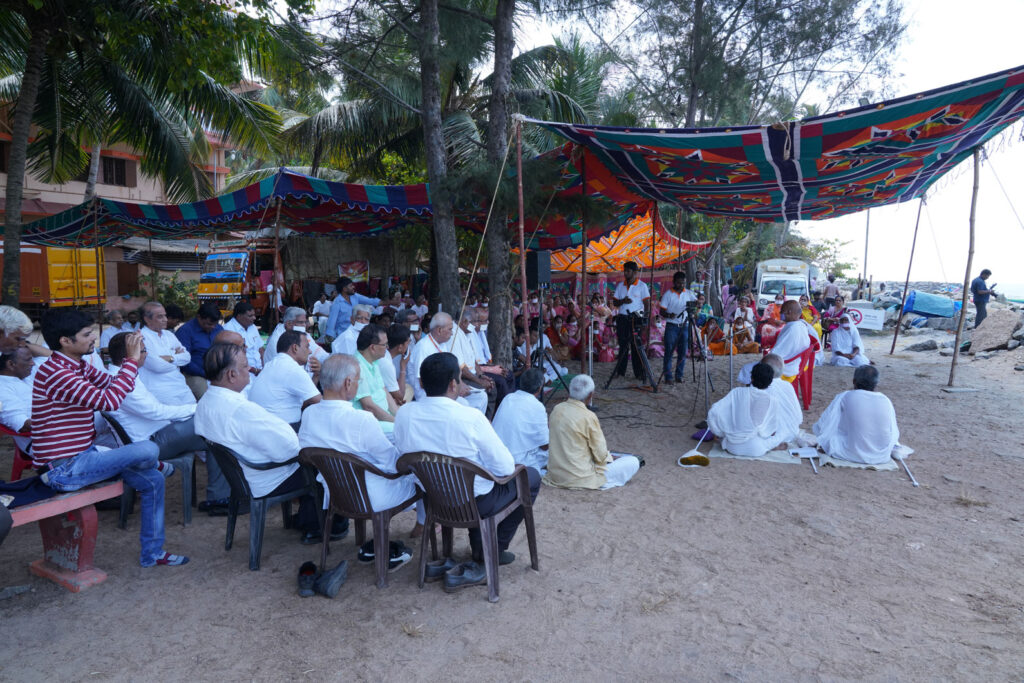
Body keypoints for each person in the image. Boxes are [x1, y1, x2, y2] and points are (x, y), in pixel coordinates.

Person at [31, 309, 186, 567]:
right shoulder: (57, 373)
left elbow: (110, 382)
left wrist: (127, 362)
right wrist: (131, 361)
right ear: (65, 341)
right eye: (87, 334)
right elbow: (110, 400)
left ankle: (153, 554)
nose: (93, 338)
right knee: (147, 448)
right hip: (64, 469)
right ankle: (155, 461)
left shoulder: (76, 365)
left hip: (85, 457)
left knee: (153, 480)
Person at [394, 352, 541, 587]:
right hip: (474, 503)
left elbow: (403, 457)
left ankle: (480, 547)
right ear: (454, 384)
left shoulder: (404, 414)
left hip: (433, 501)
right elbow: (504, 467)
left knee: (479, 480)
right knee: (530, 476)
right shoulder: (470, 416)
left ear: (421, 384)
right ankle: (493, 549)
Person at [195, 343, 346, 546]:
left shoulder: (206, 401)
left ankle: (307, 516)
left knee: (314, 455)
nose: (250, 369)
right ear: (231, 375)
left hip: (241, 477)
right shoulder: (239, 410)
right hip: (265, 476)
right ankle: (321, 526)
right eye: (245, 366)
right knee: (328, 464)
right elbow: (287, 451)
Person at [299, 354, 421, 566]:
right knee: (420, 477)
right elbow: (393, 464)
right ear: (347, 383)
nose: (358, 385)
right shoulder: (361, 419)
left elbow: (306, 452)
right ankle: (427, 532)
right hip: (372, 496)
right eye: (357, 381)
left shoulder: (309, 414)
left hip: (336, 494)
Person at [105, 332, 207, 465]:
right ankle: (220, 484)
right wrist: (197, 408)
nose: (147, 354)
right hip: (151, 442)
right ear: (129, 355)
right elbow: (156, 412)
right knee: (212, 421)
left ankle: (220, 484)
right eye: (143, 351)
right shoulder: (119, 381)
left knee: (215, 430)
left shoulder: (125, 375)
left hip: (160, 432)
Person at [544, 374, 641, 489]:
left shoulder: (557, 409)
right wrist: (610, 457)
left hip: (556, 475)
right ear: (590, 395)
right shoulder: (589, 416)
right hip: (581, 477)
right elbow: (600, 455)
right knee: (633, 461)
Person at [707, 363, 802, 458]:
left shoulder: (736, 392)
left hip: (731, 447)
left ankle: (725, 439)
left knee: (730, 432)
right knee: (784, 432)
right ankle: (771, 446)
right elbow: (771, 430)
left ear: (751, 378)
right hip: (756, 449)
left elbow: (713, 412)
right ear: (770, 382)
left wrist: (718, 432)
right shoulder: (772, 400)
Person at [813, 365, 899, 465]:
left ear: (854, 381)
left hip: (852, 453)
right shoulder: (886, 399)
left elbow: (822, 425)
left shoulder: (845, 396)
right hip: (881, 455)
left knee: (828, 439)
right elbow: (893, 431)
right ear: (876, 384)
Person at [249, 330, 322, 427]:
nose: (310, 351)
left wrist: (316, 375)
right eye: (307, 347)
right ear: (295, 348)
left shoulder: (272, 364)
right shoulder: (292, 368)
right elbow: (322, 403)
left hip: (263, 425)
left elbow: (305, 401)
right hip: (280, 428)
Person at [492, 368, 549, 474]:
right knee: (555, 449)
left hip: (499, 456)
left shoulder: (508, 398)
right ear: (540, 388)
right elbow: (544, 446)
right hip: (517, 461)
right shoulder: (537, 406)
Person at [138, 301, 194, 406]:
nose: (166, 320)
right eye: (160, 317)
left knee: (194, 415)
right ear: (147, 319)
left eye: (165, 316)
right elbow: (157, 366)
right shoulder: (141, 337)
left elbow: (187, 357)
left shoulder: (169, 334)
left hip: (180, 385)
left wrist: (170, 358)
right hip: (160, 390)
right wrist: (177, 359)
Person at [353, 324, 399, 434]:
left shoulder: (374, 361)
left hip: (384, 416)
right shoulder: (357, 367)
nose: (387, 348)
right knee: (404, 431)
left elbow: (384, 391)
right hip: (370, 422)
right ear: (373, 347)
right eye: (384, 345)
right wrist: (396, 422)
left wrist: (399, 416)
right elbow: (369, 406)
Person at [610, 261, 651, 380]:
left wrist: (645, 319)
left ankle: (638, 373)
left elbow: (647, 303)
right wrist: (623, 301)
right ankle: (620, 372)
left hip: (636, 319)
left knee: (636, 346)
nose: (625, 273)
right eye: (625, 270)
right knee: (623, 345)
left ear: (635, 272)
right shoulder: (620, 285)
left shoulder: (642, 286)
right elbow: (615, 302)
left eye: (628, 271)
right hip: (622, 318)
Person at [175, 302, 224, 400]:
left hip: (217, 371)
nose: (213, 327)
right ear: (199, 317)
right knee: (208, 400)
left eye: (215, 324)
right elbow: (184, 362)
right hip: (194, 374)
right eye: (209, 324)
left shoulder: (218, 328)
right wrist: (205, 373)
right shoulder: (185, 331)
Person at [264, 307, 329, 372]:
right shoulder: (278, 341)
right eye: (301, 322)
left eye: (305, 322)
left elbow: (318, 351)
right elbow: (288, 369)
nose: (304, 325)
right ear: (289, 324)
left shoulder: (299, 333)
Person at [659, 271, 696, 385]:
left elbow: (695, 305)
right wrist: (669, 315)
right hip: (671, 326)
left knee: (682, 352)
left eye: (683, 283)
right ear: (674, 282)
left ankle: (679, 376)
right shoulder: (668, 294)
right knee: (669, 352)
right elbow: (662, 311)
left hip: (684, 326)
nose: (681, 286)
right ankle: (668, 377)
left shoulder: (689, 293)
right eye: (679, 283)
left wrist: (697, 305)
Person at [767, 301, 812, 381]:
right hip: (797, 362)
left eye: (781, 311)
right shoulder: (801, 324)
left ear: (788, 312)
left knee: (747, 369)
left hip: (787, 368)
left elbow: (776, 354)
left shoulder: (792, 329)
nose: (780, 313)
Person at [0, 347, 34, 453]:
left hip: (59, 432)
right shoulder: (2, 389)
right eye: (28, 360)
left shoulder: (24, 376)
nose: (33, 363)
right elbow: (23, 424)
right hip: (39, 442)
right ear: (11, 364)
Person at [223, 302, 264, 374]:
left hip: (259, 371)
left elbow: (260, 349)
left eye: (254, 315)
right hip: (241, 373)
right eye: (250, 316)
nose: (254, 318)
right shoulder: (228, 330)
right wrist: (255, 371)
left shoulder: (253, 327)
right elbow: (232, 359)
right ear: (239, 316)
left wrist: (264, 368)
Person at [380, 323, 412, 406]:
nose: (409, 346)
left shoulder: (384, 355)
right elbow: (401, 396)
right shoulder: (386, 363)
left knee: (409, 388)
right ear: (400, 347)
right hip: (379, 403)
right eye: (408, 343)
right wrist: (403, 366)